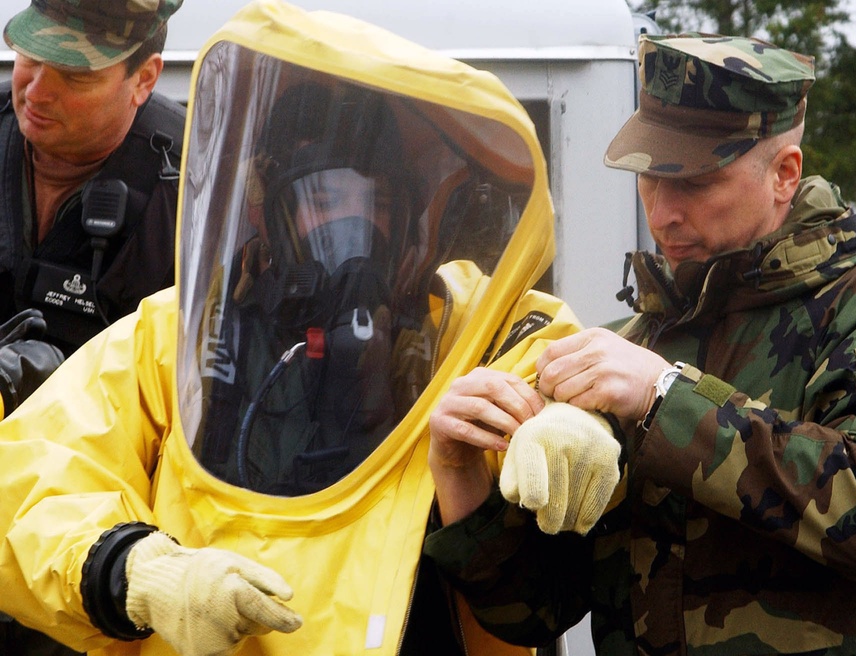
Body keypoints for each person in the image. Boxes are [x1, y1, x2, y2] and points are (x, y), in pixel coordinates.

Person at [0, 1, 585, 654]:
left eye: (378, 203)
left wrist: (569, 419)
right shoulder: (180, 340)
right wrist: (136, 570)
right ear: (268, 213)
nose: (354, 229)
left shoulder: (464, 337)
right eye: (324, 200)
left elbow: (551, 357)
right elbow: (34, 480)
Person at [424, 33, 856, 655]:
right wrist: (458, 471)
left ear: (783, 174)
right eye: (650, 177)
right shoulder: (639, 345)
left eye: (693, 182)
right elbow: (533, 608)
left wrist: (664, 399)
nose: (661, 212)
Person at [0, 2, 185, 654]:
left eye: (74, 77)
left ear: (144, 78)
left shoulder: (195, 194)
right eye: (30, 58)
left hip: (95, 546)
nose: (38, 90)